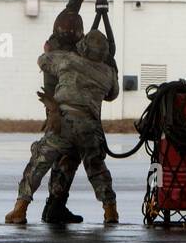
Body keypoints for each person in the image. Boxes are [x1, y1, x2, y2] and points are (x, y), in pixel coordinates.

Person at [6, 27, 120, 225]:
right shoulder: (108, 74)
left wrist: (58, 49)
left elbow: (43, 60)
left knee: (39, 161)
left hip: (62, 123)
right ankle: (110, 211)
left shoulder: (68, 60)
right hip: (90, 128)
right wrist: (110, 67)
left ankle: (20, 209)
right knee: (97, 168)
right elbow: (113, 93)